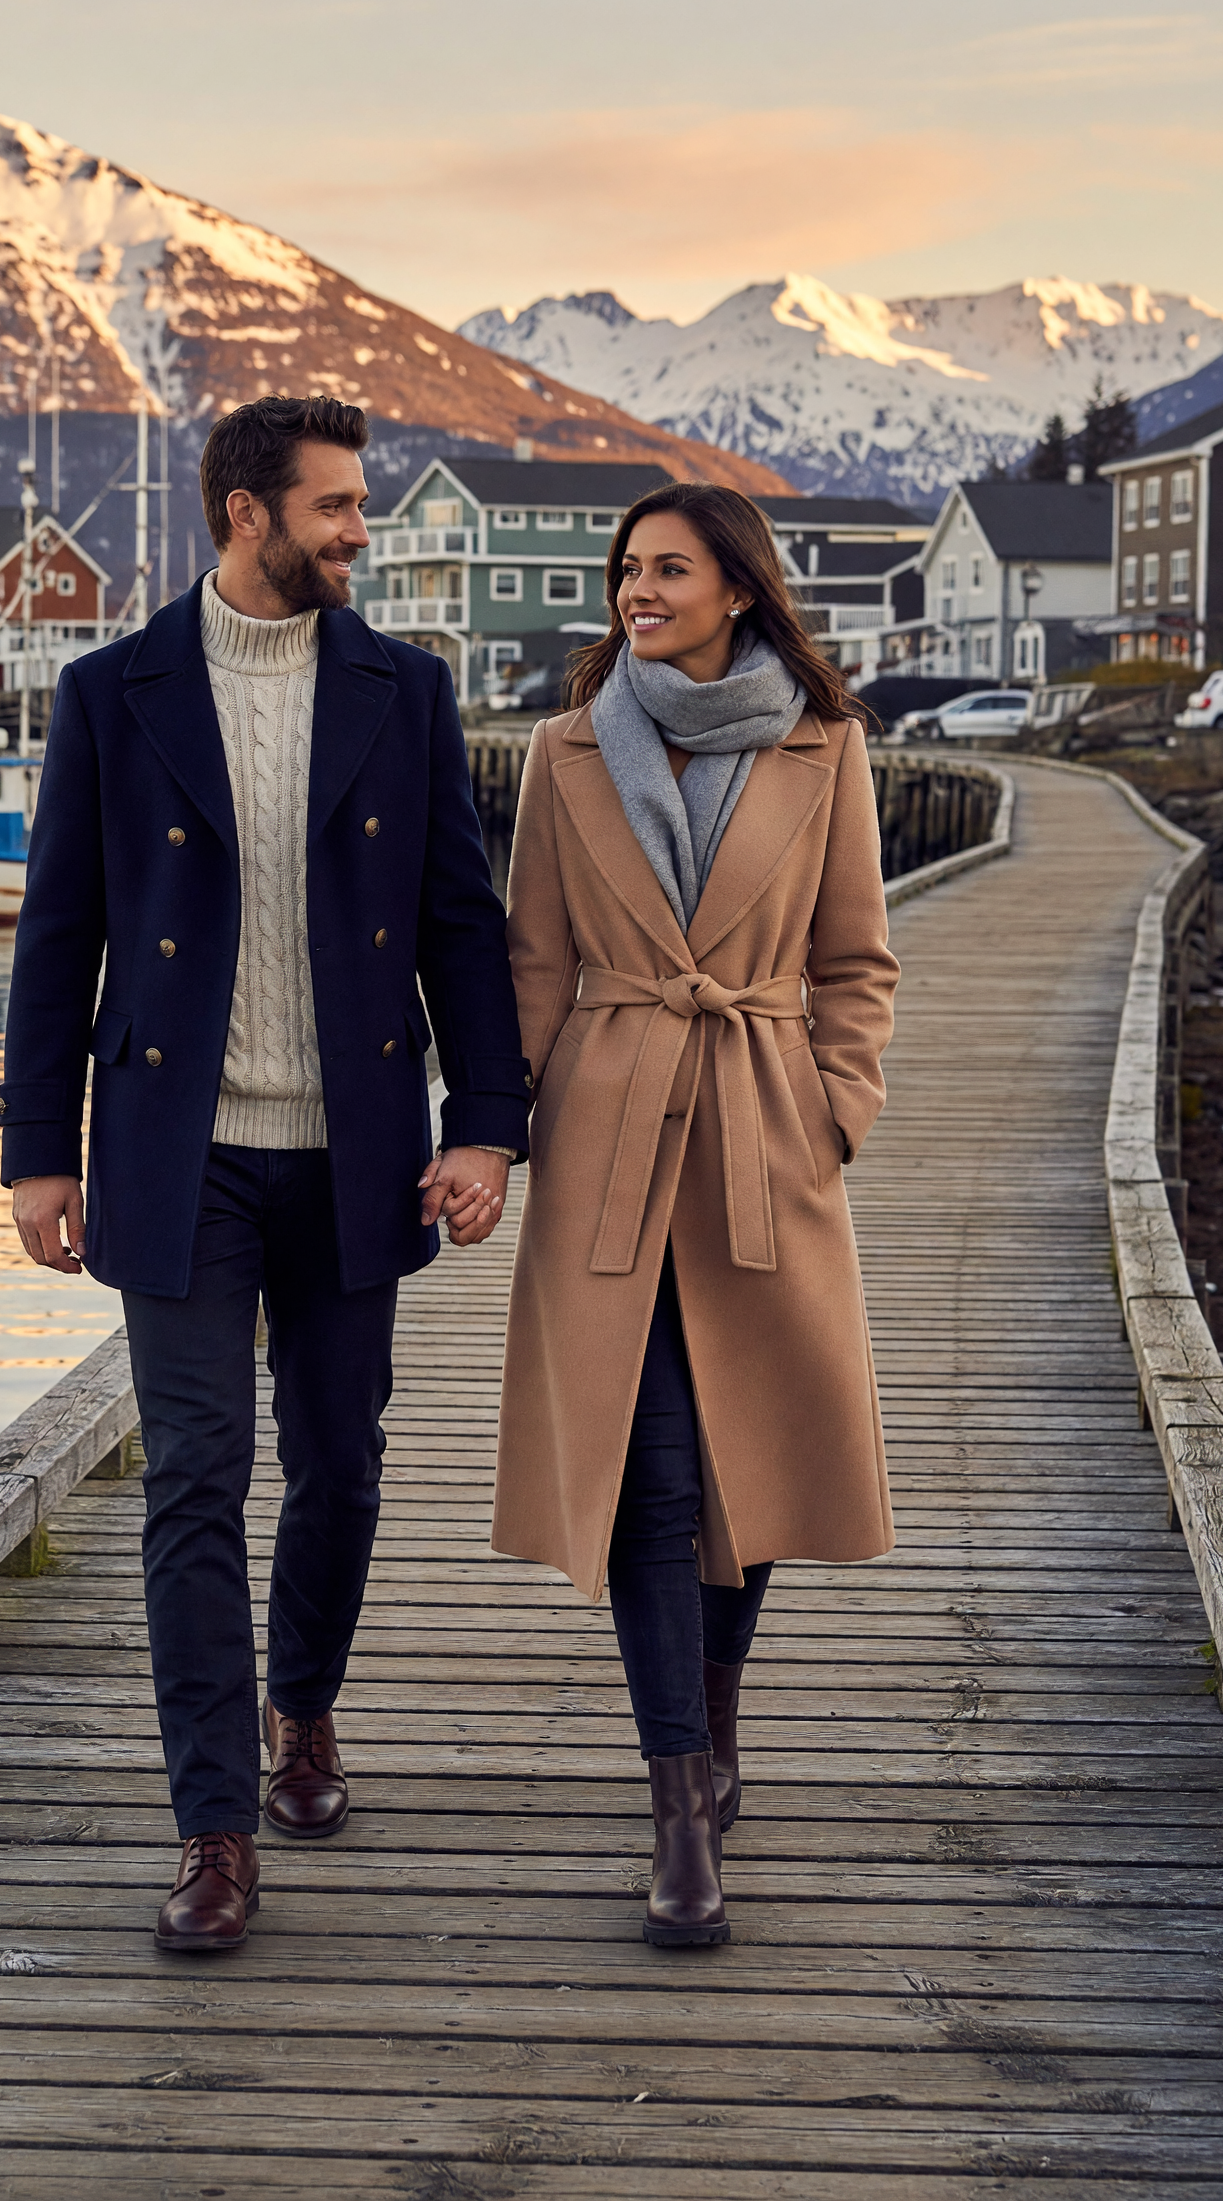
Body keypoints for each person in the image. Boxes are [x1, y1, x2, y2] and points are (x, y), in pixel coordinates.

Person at [0, 392, 529, 1953]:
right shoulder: (114, 693)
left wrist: (485, 1123)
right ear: (248, 515)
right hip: (181, 1154)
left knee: (343, 1462)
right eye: (338, 508)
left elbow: (458, 924)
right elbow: (57, 934)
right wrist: (40, 1151)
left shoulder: (402, 690)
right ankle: (214, 1829)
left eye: (360, 506)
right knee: (191, 1481)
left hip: (357, 1149)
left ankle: (306, 1711)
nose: (362, 530)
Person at [492, 481, 899, 1947]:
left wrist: (833, 1109)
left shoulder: (825, 747)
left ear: (738, 587)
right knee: (651, 1474)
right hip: (606, 1135)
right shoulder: (564, 753)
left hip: (761, 1127)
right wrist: (504, 1123)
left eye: (667, 569)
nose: (635, 592)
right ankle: (678, 1807)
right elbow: (531, 959)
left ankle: (719, 1728)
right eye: (625, 570)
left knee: (755, 1467)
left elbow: (858, 961)